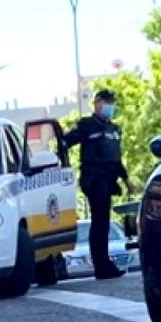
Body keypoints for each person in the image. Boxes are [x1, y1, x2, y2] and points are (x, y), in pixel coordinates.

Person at [62, 90, 131, 280]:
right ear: (97, 103)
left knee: (103, 223)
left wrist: (126, 179)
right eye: (106, 102)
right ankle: (101, 265)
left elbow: (116, 158)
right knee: (99, 223)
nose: (110, 106)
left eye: (112, 102)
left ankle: (104, 263)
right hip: (94, 178)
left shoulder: (114, 130)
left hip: (108, 180)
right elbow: (65, 143)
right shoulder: (87, 125)